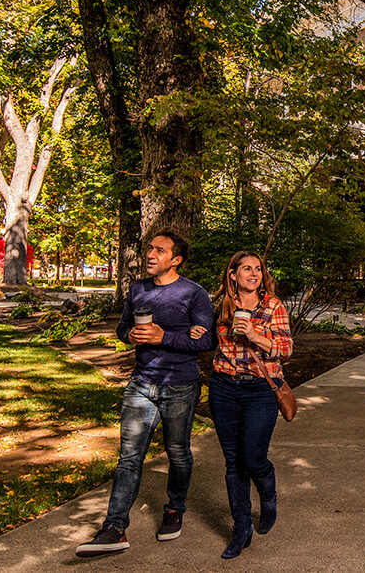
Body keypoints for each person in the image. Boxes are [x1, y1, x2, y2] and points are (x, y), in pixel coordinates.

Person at [76, 230, 215, 557]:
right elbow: (122, 328)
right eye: (150, 248)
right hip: (141, 383)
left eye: (160, 250)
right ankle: (114, 528)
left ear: (176, 259)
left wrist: (163, 334)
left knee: (177, 451)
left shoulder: (193, 294)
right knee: (129, 457)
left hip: (180, 384)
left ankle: (174, 508)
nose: (151, 254)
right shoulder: (138, 289)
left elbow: (205, 342)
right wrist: (131, 336)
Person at [208, 250, 292, 559]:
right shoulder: (222, 306)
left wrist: (255, 335)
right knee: (233, 462)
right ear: (233, 274)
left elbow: (285, 350)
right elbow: (206, 340)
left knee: (253, 458)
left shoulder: (273, 306)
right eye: (247, 269)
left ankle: (268, 496)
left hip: (260, 389)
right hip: (223, 388)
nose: (254, 274)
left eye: (258, 269)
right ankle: (241, 526)